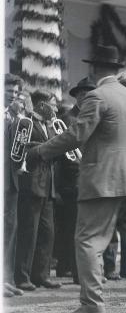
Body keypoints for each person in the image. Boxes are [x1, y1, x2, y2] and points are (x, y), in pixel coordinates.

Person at [26, 45, 126, 313]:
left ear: (94, 69)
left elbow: (76, 134)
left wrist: (40, 151)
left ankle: (92, 303)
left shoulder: (97, 96)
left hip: (102, 181)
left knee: (86, 240)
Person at [15, 91, 61, 291]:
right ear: (41, 105)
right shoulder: (27, 123)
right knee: (29, 232)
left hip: (48, 185)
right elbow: (20, 149)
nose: (56, 109)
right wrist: (45, 147)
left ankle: (41, 275)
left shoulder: (50, 126)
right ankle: (22, 276)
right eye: (53, 104)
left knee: (47, 233)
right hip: (32, 184)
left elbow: (56, 151)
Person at [53, 78, 95, 284]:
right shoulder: (68, 119)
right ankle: (73, 270)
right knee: (73, 227)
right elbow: (62, 155)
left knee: (81, 228)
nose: (86, 98)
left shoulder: (94, 116)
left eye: (89, 94)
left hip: (89, 177)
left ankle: (71, 268)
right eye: (82, 95)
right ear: (77, 97)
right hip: (72, 180)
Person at [4, 74, 29, 297]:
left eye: (15, 92)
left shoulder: (16, 117)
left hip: (11, 181)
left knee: (10, 231)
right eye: (8, 90)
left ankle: (7, 279)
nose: (12, 95)